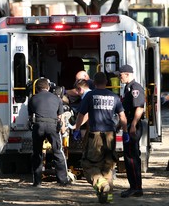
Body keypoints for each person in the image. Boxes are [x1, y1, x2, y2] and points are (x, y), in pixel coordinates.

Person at [73, 72, 127, 203]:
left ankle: (102, 185)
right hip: (110, 135)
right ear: (107, 82)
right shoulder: (114, 97)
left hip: (95, 136)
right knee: (108, 167)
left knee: (88, 164)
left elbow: (81, 115)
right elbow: (123, 117)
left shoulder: (90, 96)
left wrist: (77, 128)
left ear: (94, 83)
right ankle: (107, 198)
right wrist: (125, 132)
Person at [28, 78, 70, 187]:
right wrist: (62, 130)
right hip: (53, 126)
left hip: (38, 126)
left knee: (37, 153)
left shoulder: (32, 99)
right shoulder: (57, 99)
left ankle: (37, 182)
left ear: (37, 89)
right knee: (58, 152)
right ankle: (63, 181)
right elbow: (60, 117)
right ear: (48, 87)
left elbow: (30, 116)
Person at [118, 64, 145, 198]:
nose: (119, 77)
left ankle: (136, 188)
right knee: (130, 156)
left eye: (120, 75)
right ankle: (134, 186)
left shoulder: (135, 88)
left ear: (127, 74)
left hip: (133, 126)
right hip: (128, 125)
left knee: (132, 157)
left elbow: (139, 107)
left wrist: (133, 125)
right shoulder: (128, 88)